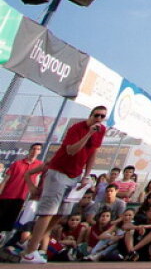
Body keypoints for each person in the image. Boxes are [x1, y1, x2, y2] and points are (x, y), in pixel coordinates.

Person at [19, 106, 107, 265]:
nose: (99, 119)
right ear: (91, 115)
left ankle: (33, 242)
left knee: (61, 213)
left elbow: (93, 153)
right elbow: (72, 150)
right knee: (48, 212)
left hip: (75, 176)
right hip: (59, 172)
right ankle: (30, 252)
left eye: (102, 117)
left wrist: (87, 176)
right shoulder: (77, 128)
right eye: (97, 115)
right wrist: (89, 134)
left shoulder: (101, 130)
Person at [0, 144, 42, 233]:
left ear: (40, 152)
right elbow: (5, 180)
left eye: (38, 149)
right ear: (30, 150)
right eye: (33, 149)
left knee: (9, 222)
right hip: (7, 195)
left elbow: (37, 181)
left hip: (22, 198)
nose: (35, 151)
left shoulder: (39, 165)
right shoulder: (17, 163)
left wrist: (34, 195)